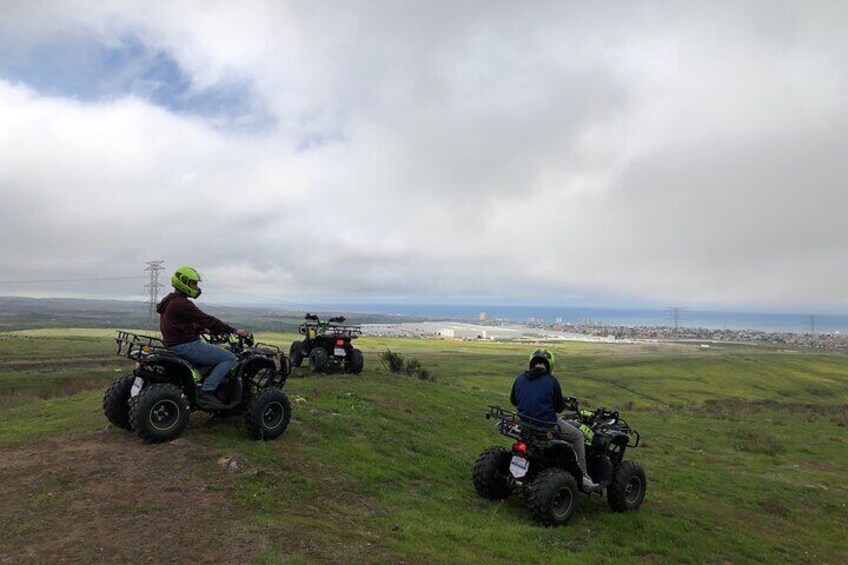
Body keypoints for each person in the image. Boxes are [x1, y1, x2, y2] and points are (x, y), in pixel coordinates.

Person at [156, 266, 248, 407]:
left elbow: (182, 322)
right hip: (186, 346)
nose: (196, 287)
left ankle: (200, 383)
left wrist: (202, 329)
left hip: (172, 344)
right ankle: (206, 391)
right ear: (183, 282)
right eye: (193, 283)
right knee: (230, 358)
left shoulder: (170, 300)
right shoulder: (182, 303)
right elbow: (207, 319)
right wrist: (234, 330)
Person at [510, 348, 598, 489]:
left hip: (524, 423)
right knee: (578, 436)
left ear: (532, 363)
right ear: (550, 365)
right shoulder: (552, 381)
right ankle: (583, 474)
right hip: (546, 426)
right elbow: (559, 408)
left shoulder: (519, 378)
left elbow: (513, 401)